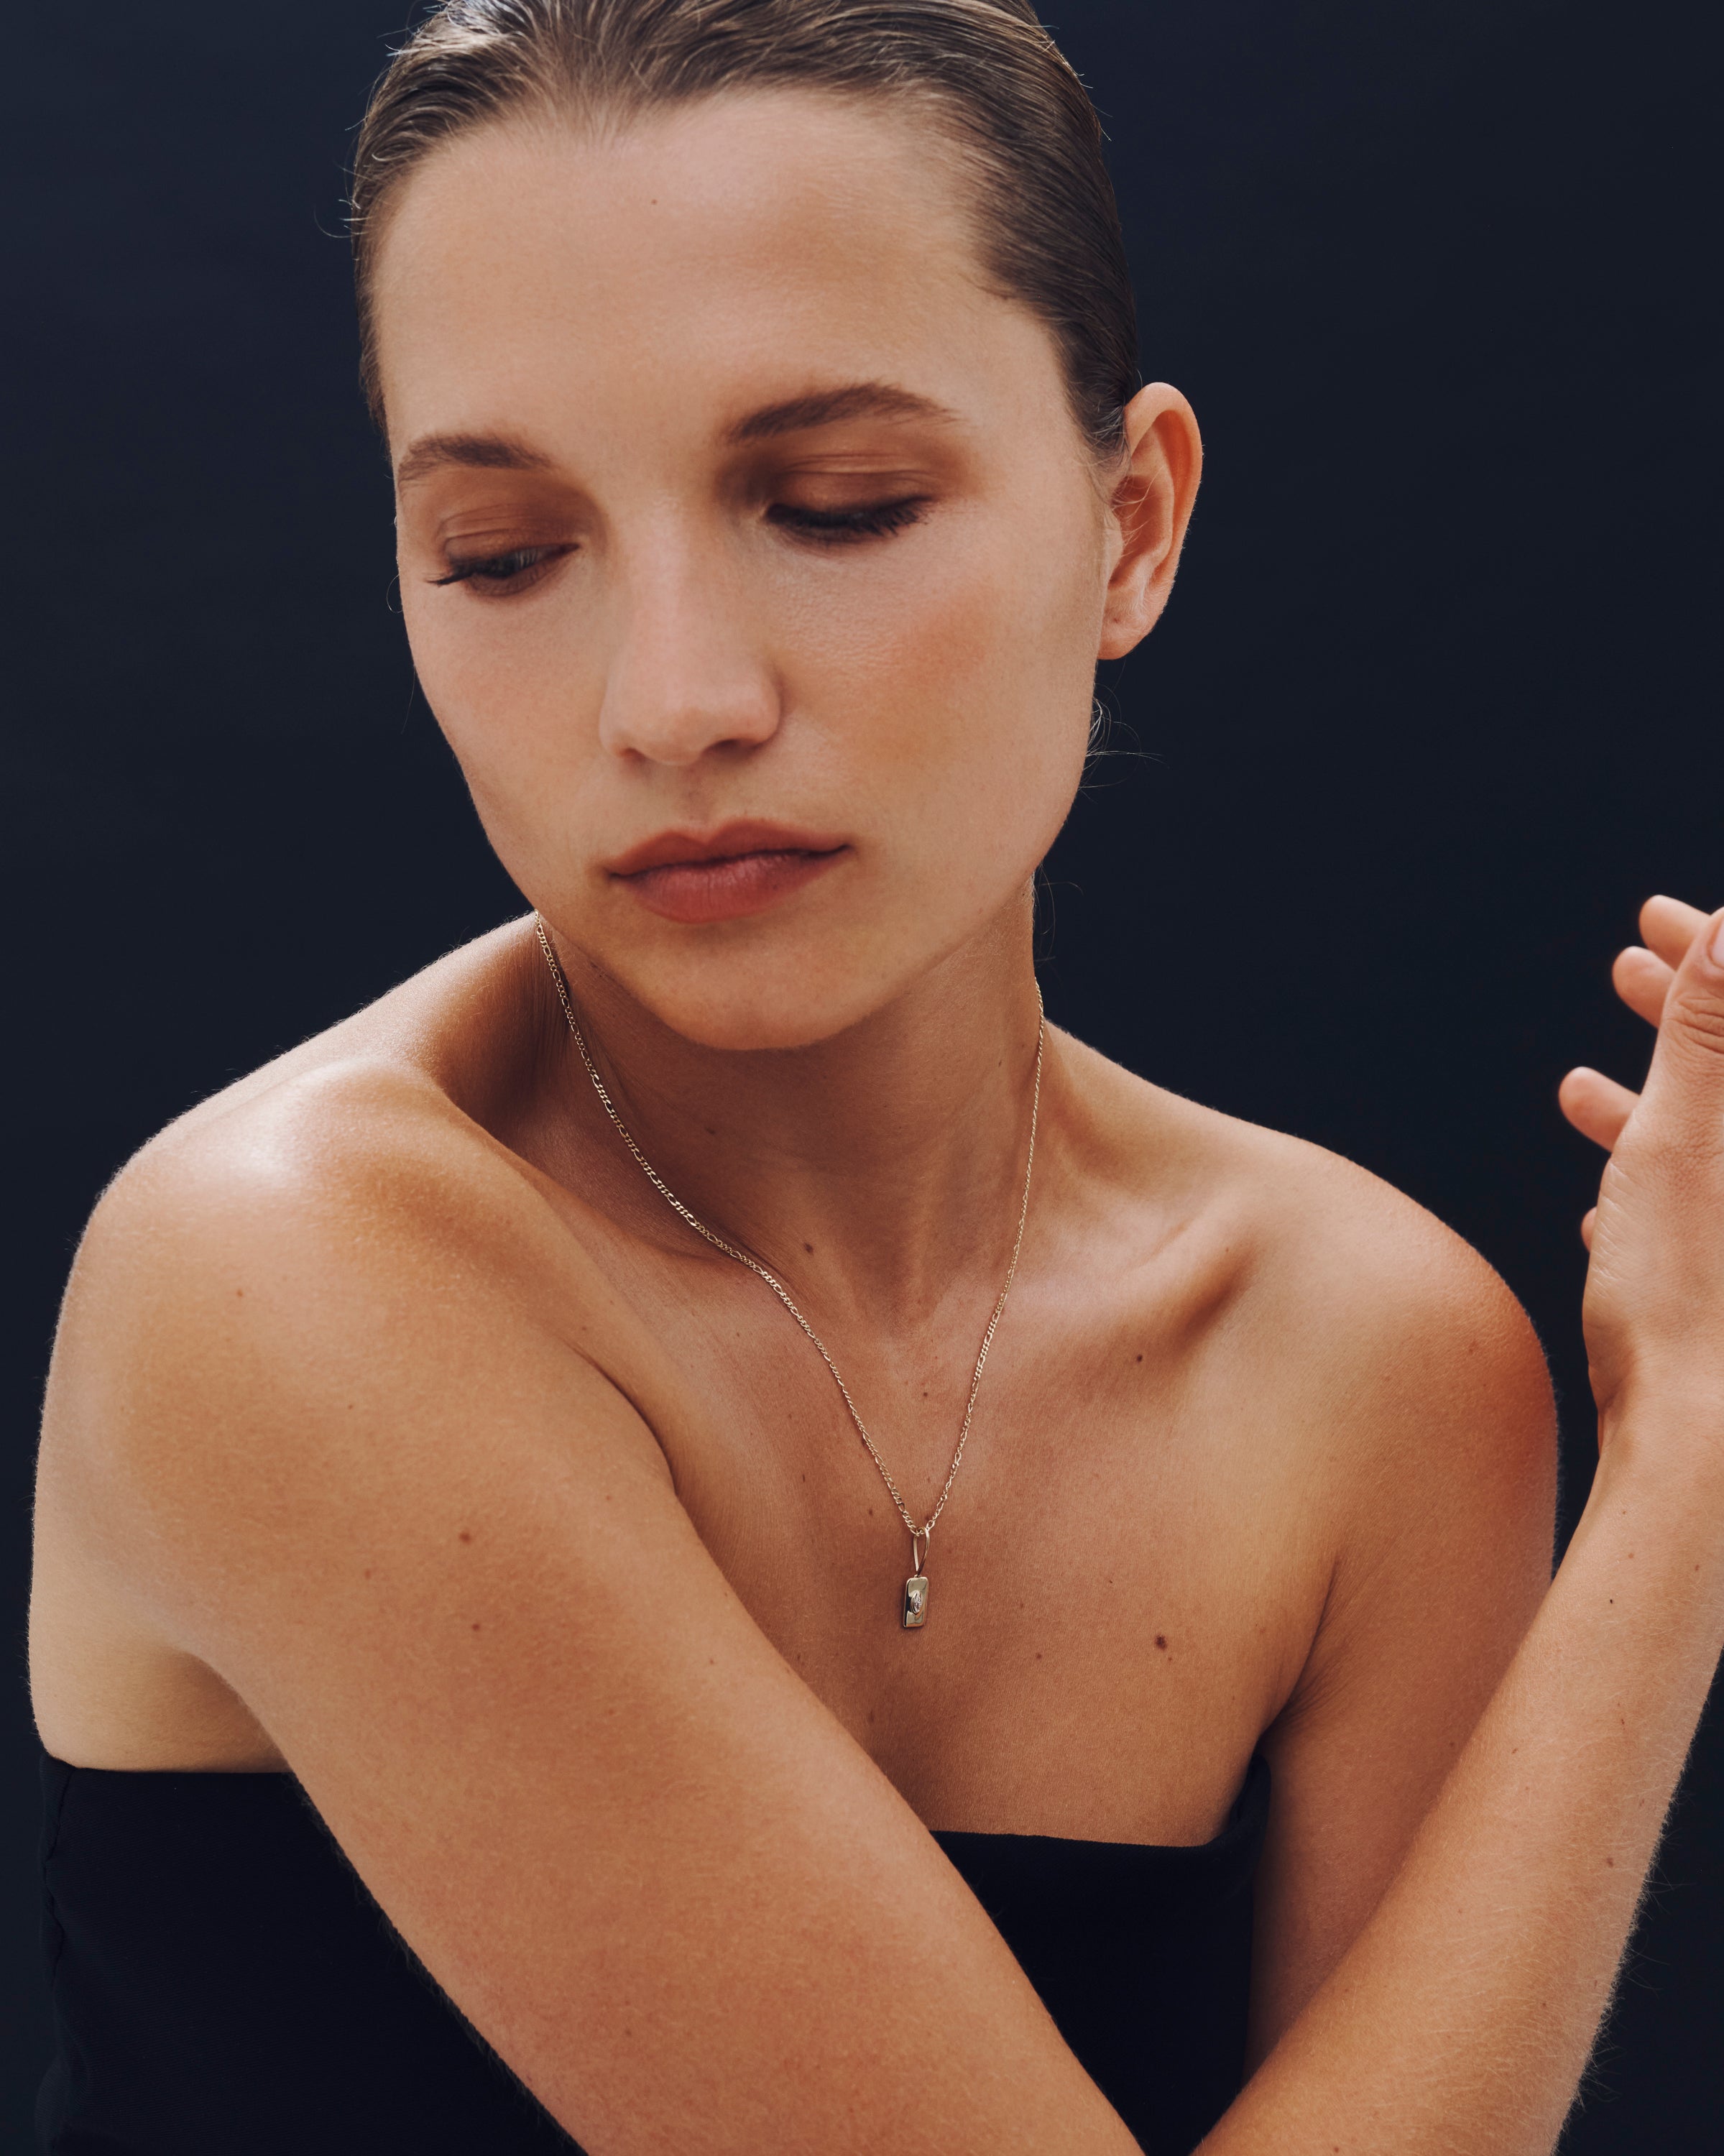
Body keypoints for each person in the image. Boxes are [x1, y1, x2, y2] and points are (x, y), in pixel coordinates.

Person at [25, 4, 1724, 2152]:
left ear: (1130, 528)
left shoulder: (1374, 1361)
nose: (675, 701)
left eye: (832, 504)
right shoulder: (281, 1280)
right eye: (506, 553)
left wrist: (1697, 1447)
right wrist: (1682, 1498)